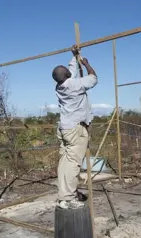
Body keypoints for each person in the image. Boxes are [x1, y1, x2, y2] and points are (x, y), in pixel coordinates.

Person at [52, 45, 98, 209]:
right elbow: (93, 78)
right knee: (73, 164)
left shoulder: (60, 86)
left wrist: (74, 56)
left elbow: (71, 70)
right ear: (65, 75)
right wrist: (86, 64)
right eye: (65, 70)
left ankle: (63, 194)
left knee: (65, 162)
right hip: (75, 130)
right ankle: (67, 198)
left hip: (64, 128)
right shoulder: (75, 84)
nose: (68, 69)